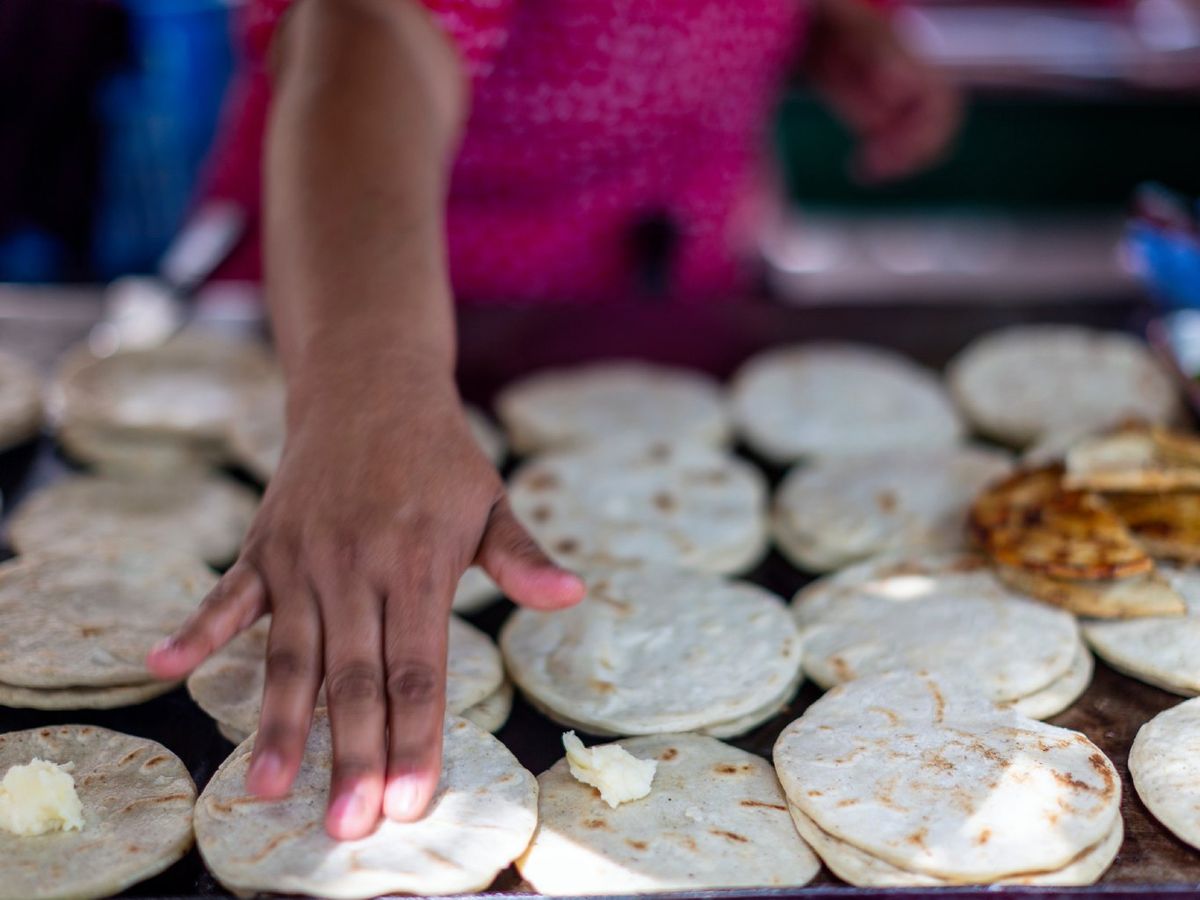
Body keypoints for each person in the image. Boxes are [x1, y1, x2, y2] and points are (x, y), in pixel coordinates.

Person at [147, 0, 959, 841]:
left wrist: (826, 25)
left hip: (675, 267)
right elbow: (369, 25)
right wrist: (366, 394)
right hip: (381, 284)